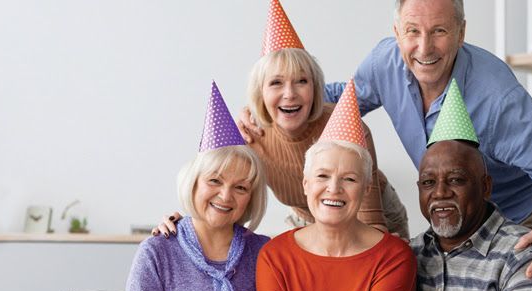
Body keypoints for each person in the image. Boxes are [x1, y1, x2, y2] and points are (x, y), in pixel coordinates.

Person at [239, 0, 532, 291]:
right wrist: (265, 110)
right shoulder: (384, 63)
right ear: (396, 33)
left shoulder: (499, 101)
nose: (424, 48)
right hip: (446, 220)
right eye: (412, 31)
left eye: (439, 31)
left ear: (461, 32)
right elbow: (339, 102)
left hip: (517, 217)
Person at [155, 0, 410, 238]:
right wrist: (183, 225)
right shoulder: (249, 135)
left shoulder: (346, 127)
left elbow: (371, 221)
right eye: (276, 83)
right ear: (260, 92)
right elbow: (218, 200)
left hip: (370, 218)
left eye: (301, 81)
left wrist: (381, 251)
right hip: (305, 221)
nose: (290, 94)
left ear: (315, 88)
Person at [255, 81, 416, 291]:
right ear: (306, 184)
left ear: (367, 189)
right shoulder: (275, 256)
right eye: (322, 176)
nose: (333, 188)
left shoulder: (394, 257)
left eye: (349, 179)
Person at [410, 80, 532, 291]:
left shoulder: (525, 254)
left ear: (485, 187)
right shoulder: (407, 255)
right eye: (428, 183)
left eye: (455, 180)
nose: (440, 193)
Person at [125, 82, 269, 291]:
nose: (226, 195)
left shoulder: (263, 252)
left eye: (240, 187)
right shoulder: (157, 253)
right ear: (193, 183)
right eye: (214, 181)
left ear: (251, 198)